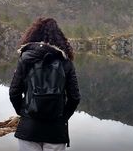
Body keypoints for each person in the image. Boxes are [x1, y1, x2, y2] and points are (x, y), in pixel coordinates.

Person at [9, 17, 81, 151]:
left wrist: (25, 112)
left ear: (33, 35)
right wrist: (62, 117)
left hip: (28, 129)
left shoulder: (25, 59)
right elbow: (75, 98)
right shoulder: (65, 62)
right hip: (56, 131)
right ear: (59, 38)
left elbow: (14, 93)